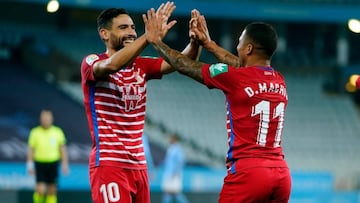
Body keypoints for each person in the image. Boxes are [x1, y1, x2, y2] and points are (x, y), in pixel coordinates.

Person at [143, 9, 292, 203]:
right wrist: (209, 44)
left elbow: (184, 65)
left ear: (248, 49)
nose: (236, 46)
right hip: (281, 175)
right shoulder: (279, 80)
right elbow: (242, 67)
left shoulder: (235, 78)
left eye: (239, 42)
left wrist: (155, 41)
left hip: (249, 173)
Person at [80, 2, 201, 203]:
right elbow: (112, 65)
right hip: (110, 165)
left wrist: (195, 41)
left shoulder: (142, 65)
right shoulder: (92, 62)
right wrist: (148, 37)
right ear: (104, 34)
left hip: (139, 166)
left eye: (133, 28)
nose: (131, 32)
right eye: (123, 28)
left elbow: (183, 63)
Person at [26, 109, 69, 203]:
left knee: (52, 190)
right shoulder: (35, 132)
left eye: (48, 118)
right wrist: (29, 164)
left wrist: (65, 164)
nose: (46, 120)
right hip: (40, 163)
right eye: (44, 118)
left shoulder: (58, 132)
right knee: (40, 190)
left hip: (53, 163)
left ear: (51, 119)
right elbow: (31, 149)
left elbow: (62, 149)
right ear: (40, 119)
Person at [161, 133, 188, 203]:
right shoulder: (171, 148)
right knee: (167, 193)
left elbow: (180, 161)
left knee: (176, 193)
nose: (169, 140)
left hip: (174, 174)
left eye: (171, 138)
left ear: (174, 139)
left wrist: (175, 172)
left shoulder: (177, 149)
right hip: (169, 173)